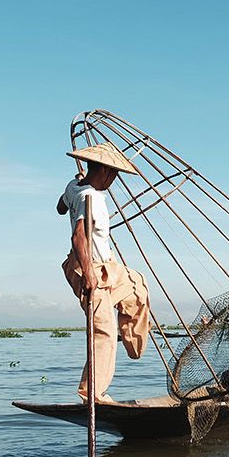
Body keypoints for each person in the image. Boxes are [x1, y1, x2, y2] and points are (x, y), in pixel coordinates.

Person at [57, 141, 152, 403]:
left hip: (105, 265)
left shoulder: (74, 187)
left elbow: (60, 207)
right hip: (88, 265)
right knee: (104, 332)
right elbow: (78, 237)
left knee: (137, 284)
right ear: (106, 172)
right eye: (114, 175)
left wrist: (75, 187)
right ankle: (93, 395)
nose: (114, 180)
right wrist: (89, 275)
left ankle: (133, 342)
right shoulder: (92, 198)